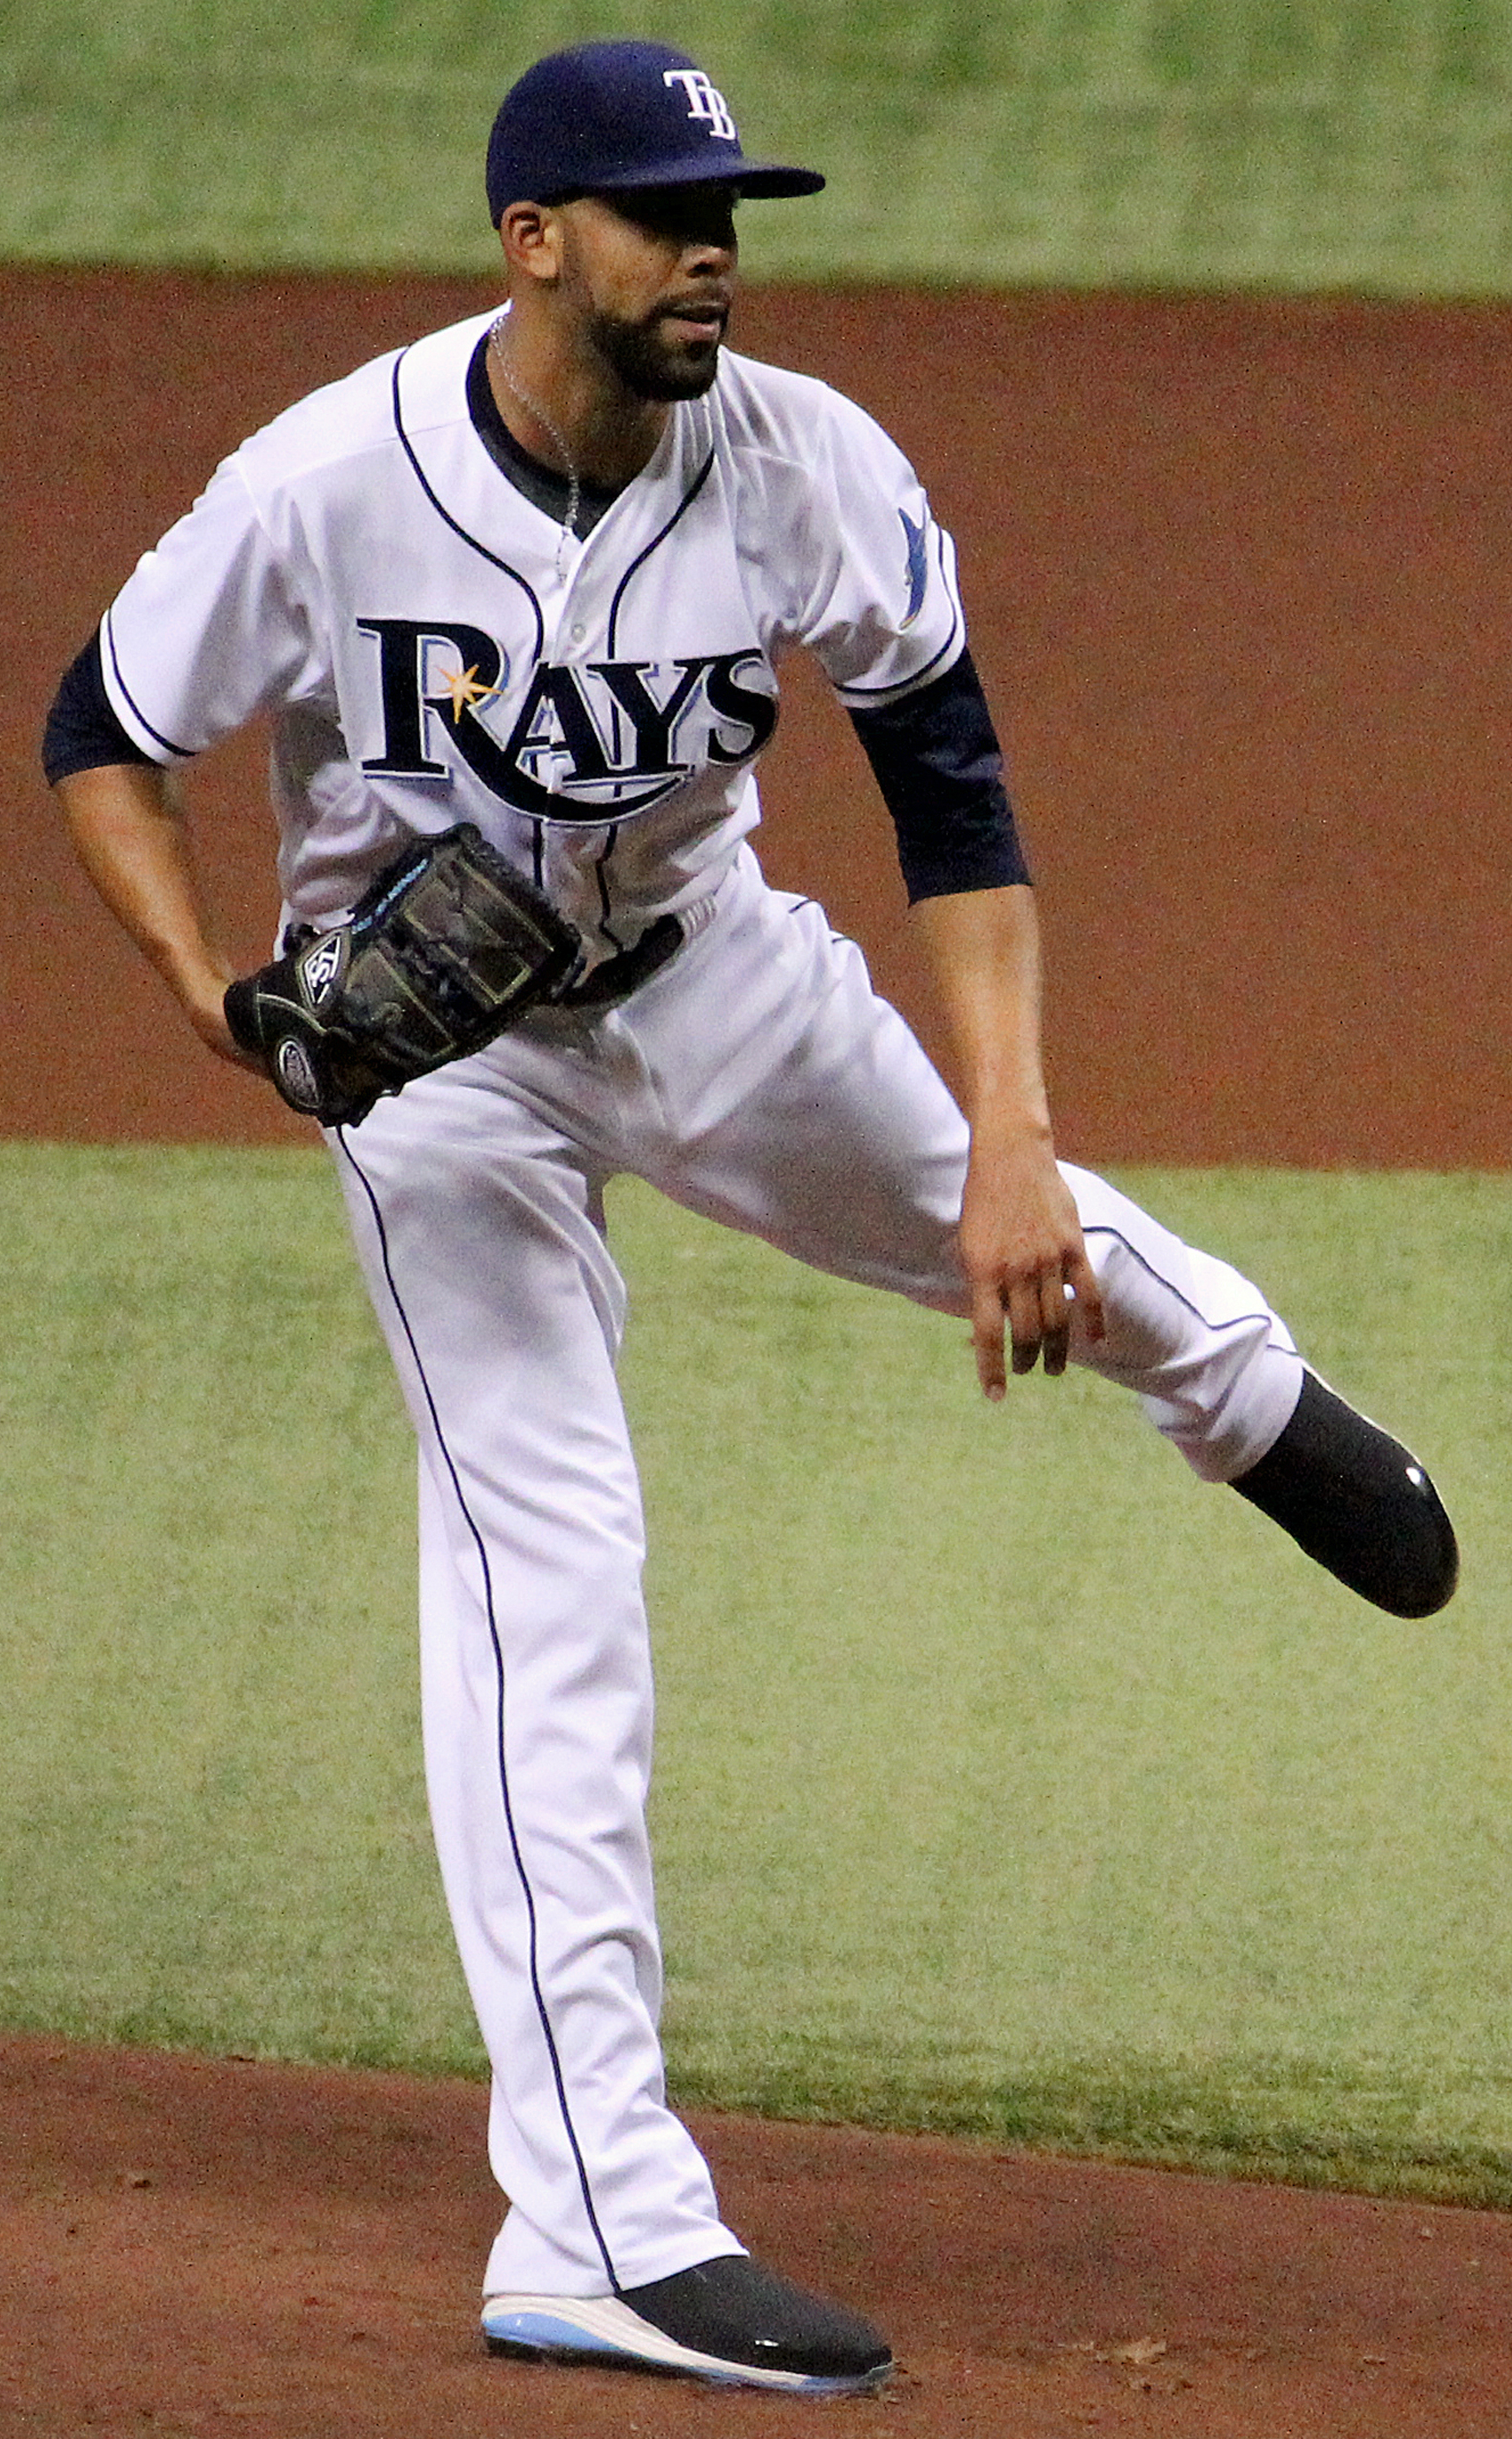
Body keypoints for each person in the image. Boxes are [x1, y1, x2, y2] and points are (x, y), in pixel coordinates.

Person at [43, 39, 1458, 2399]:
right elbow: (101, 720)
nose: (712, 249)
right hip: (441, 1085)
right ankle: (596, 2222)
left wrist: (1006, 1144)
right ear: (532, 243)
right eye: (656, 209)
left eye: (729, 208)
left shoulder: (808, 463)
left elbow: (963, 815)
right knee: (548, 1580)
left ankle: (1242, 1392)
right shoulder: (322, 487)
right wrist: (216, 1001)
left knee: (1020, 1214)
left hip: (719, 981)